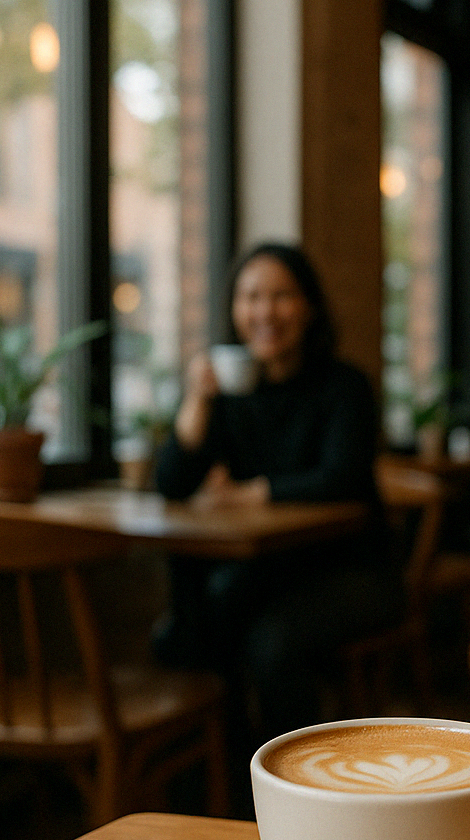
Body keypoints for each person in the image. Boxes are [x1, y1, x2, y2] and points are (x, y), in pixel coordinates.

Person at [154, 242, 404, 741]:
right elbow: (171, 485)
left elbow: (343, 478)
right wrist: (197, 401)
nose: (265, 311)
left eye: (281, 296)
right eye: (250, 297)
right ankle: (217, 779)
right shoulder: (229, 394)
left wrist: (248, 494)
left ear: (308, 306)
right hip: (271, 569)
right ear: (234, 310)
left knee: (270, 645)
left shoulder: (343, 386)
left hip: (353, 570)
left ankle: (298, 786)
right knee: (185, 635)